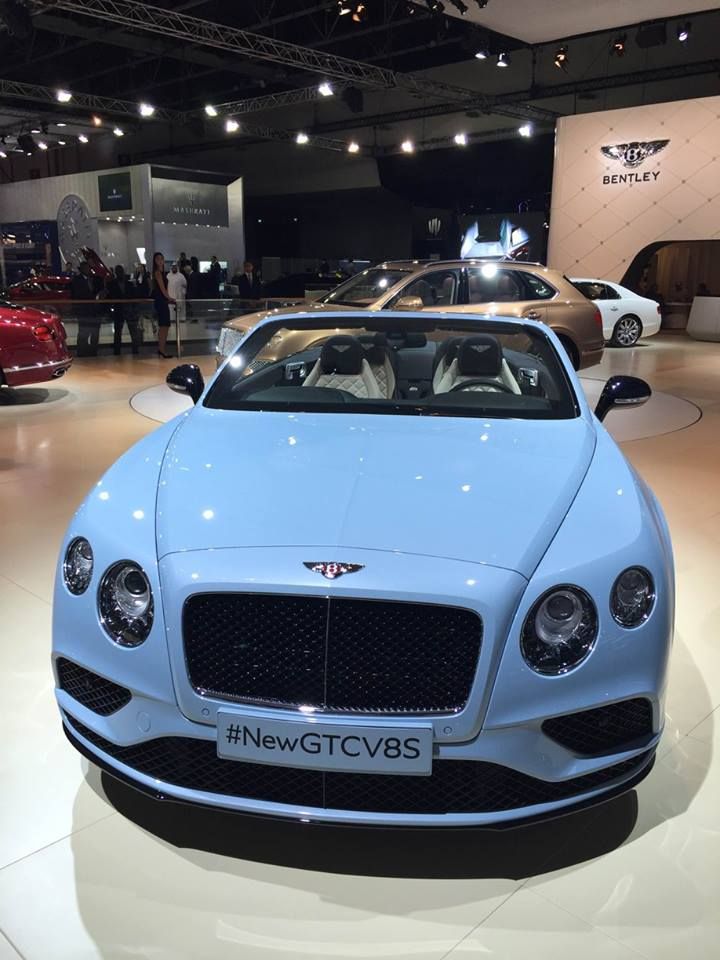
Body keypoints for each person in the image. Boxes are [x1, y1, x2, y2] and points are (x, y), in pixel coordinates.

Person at [108, 265, 141, 355]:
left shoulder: (129, 284)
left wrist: (134, 309)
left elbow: (134, 296)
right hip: (119, 311)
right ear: (116, 273)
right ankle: (117, 351)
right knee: (118, 332)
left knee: (133, 331)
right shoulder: (112, 284)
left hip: (129, 310)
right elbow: (111, 296)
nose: (120, 273)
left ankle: (135, 350)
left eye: (121, 271)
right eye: (118, 271)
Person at [71, 261, 99, 357]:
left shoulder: (93, 279)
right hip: (83, 310)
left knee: (94, 332)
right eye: (86, 268)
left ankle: (93, 352)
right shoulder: (77, 280)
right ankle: (82, 352)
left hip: (94, 311)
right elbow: (76, 294)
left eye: (89, 268)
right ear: (82, 269)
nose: (88, 270)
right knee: (83, 332)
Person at [151, 251, 175, 358]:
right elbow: (162, 288)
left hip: (162, 301)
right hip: (161, 301)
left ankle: (162, 349)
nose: (160, 261)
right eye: (158, 259)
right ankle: (161, 349)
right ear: (155, 261)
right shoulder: (157, 273)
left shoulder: (162, 272)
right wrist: (169, 298)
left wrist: (168, 298)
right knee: (163, 326)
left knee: (165, 326)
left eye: (161, 258)